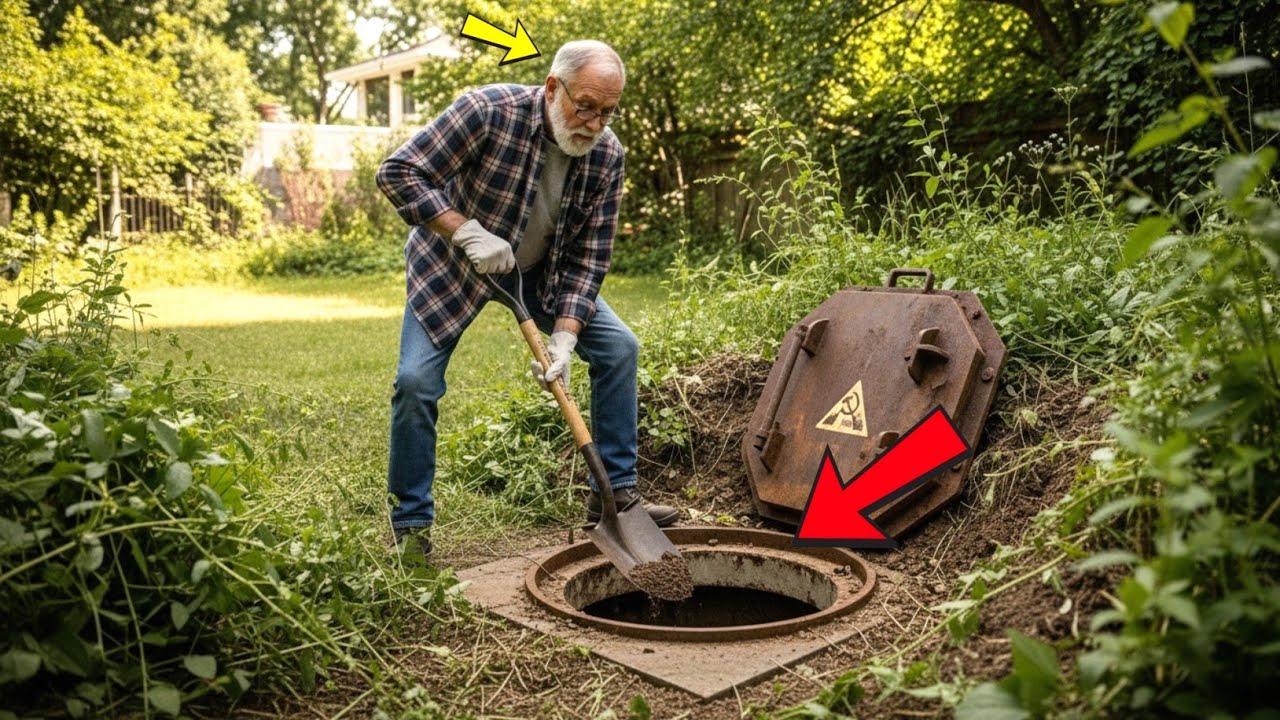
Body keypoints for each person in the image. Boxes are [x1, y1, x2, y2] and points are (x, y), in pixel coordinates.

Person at [376, 40, 678, 556]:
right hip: (456, 266)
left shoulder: (607, 154)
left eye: (607, 112)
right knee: (416, 382)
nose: (593, 122)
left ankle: (615, 497)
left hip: (542, 274)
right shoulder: (487, 112)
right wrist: (465, 231)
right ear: (552, 88)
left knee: (619, 349)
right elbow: (399, 172)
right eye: (584, 105)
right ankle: (411, 526)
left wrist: (564, 335)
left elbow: (590, 258)